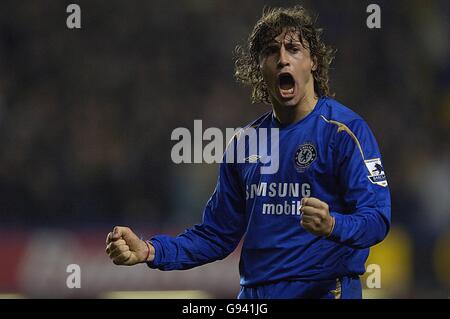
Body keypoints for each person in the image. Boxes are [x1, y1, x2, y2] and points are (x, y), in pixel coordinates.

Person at [105, 5, 391, 299]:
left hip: (323, 292)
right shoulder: (244, 144)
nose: (282, 59)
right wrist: (151, 250)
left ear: (313, 62)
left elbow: (377, 219)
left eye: (293, 49)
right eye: (270, 51)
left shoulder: (344, 131)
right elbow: (216, 235)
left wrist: (333, 225)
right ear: (258, 67)